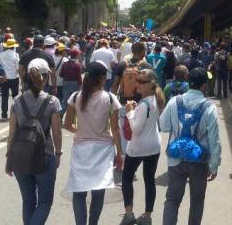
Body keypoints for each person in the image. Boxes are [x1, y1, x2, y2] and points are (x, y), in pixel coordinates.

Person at [63, 61, 123, 225]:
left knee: (79, 191)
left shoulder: (75, 96)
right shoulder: (111, 98)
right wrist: (120, 153)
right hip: (103, 149)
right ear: (103, 78)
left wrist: (82, 131)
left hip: (81, 148)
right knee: (98, 191)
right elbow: (115, 129)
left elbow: (67, 124)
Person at [160, 67, 221, 225]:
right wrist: (214, 166)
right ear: (203, 86)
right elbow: (215, 140)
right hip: (199, 160)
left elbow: (164, 125)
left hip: (176, 158)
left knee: (172, 200)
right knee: (197, 200)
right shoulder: (209, 107)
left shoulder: (175, 101)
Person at [6, 58, 62, 225]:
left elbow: (11, 134)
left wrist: (9, 157)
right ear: (44, 77)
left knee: (28, 201)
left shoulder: (17, 101)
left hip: (20, 155)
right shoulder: (52, 101)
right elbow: (57, 132)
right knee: (45, 202)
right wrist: (58, 153)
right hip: (45, 154)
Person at [120, 69, 165, 225]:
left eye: (141, 81)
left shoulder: (144, 103)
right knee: (149, 180)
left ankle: (129, 213)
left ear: (151, 85)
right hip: (154, 145)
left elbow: (136, 129)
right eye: (137, 80)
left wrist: (130, 112)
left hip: (139, 146)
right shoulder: (156, 99)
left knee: (126, 178)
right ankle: (147, 215)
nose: (137, 83)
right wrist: (135, 109)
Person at [0, 38, 20, 120]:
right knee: (15, 97)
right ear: (14, 46)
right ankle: (15, 114)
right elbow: (18, 68)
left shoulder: (1, 54)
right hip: (14, 78)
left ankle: (4, 115)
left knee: (4, 96)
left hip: (4, 78)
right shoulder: (16, 55)